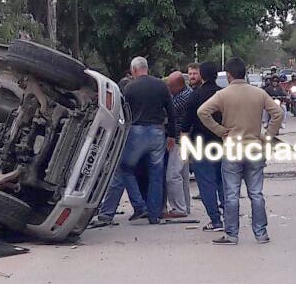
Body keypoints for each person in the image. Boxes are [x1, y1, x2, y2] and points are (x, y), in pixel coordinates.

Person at [198, 57, 284, 245]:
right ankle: (261, 234)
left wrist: (220, 130)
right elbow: (278, 113)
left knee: (231, 194)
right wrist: (268, 136)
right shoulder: (259, 94)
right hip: (254, 148)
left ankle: (232, 235)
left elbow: (202, 112)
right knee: (256, 193)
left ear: (228, 75)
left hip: (232, 150)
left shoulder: (223, 95)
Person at [96, 57, 178, 225]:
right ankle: (154, 215)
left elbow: (122, 114)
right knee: (156, 175)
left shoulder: (130, 87)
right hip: (157, 133)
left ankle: (122, 210)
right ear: (146, 68)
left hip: (136, 132)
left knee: (123, 169)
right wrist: (171, 135)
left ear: (133, 70)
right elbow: (171, 110)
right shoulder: (161, 85)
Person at [181, 61, 225, 232]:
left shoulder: (195, 96)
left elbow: (185, 126)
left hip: (200, 146)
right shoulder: (223, 94)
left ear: (202, 75)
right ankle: (228, 216)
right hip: (222, 144)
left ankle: (215, 220)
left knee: (207, 185)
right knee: (223, 182)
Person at [164, 71, 193, 218]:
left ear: (179, 85)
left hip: (179, 140)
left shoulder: (183, 98)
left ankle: (178, 209)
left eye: (170, 85)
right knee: (182, 175)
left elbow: (168, 111)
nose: (168, 88)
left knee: (172, 175)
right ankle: (185, 207)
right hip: (184, 140)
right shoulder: (185, 93)